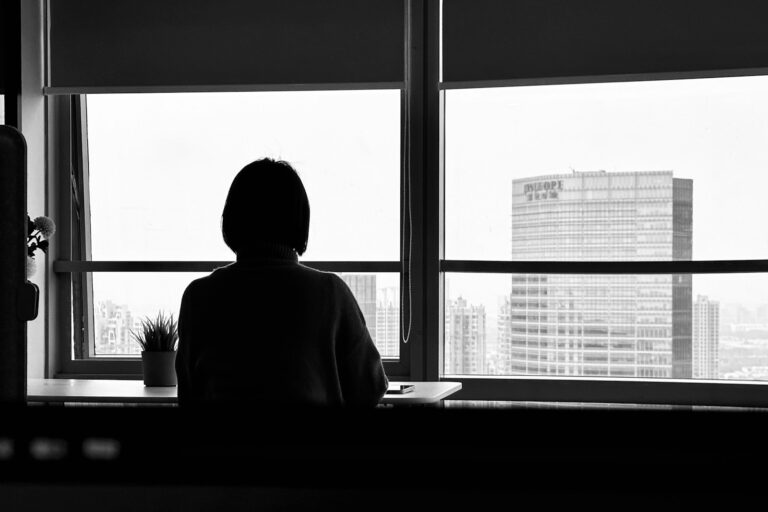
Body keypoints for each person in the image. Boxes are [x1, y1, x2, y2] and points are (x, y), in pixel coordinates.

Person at [175, 158, 388, 407]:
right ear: (300, 219)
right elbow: (370, 387)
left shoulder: (199, 296)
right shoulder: (330, 293)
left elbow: (189, 395)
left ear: (232, 218)